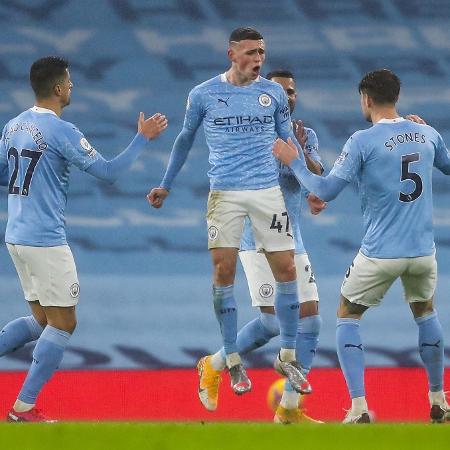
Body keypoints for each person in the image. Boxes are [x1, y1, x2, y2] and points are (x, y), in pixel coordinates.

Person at [272, 69, 450, 423]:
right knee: (425, 313)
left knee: (347, 316)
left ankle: (358, 408)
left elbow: (323, 191)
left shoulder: (362, 141)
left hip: (380, 254)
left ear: (366, 99)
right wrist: (425, 136)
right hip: (422, 253)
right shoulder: (427, 133)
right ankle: (439, 401)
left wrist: (293, 160)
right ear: (396, 97)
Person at [0, 56, 168, 422]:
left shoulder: (13, 126)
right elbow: (109, 172)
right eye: (70, 82)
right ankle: (23, 408)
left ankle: (22, 406)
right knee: (64, 324)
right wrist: (143, 138)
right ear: (58, 88)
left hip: (16, 235)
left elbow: (4, 173)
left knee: (43, 321)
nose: (72, 86)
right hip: (45, 239)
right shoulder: (63, 131)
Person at [147, 28, 310, 397]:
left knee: (287, 270)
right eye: (251, 52)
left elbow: (288, 145)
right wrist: (166, 184)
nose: (258, 60)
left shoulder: (272, 94)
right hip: (225, 194)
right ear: (232, 54)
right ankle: (232, 360)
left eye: (262, 53)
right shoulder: (203, 94)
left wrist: (309, 184)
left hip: (268, 193)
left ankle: (287, 355)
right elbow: (185, 139)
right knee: (223, 271)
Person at [196, 70, 325, 424]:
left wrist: (298, 154)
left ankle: (289, 409)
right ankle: (215, 363)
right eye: (282, 91)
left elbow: (315, 178)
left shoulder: (304, 134)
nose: (289, 96)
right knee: (271, 324)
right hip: (258, 239)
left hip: (292, 238)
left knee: (311, 321)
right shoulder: (251, 135)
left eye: (293, 91)